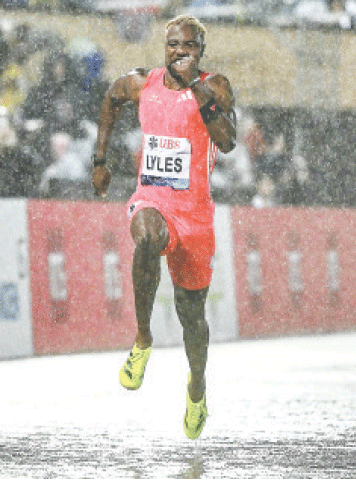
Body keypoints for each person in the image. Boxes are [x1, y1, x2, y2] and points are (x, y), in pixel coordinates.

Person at [91, 14, 236, 440]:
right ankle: (141, 339)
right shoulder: (143, 82)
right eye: (173, 44)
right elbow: (110, 98)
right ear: (165, 46)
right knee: (147, 236)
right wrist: (100, 159)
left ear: (200, 51)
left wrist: (197, 90)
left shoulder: (216, 86)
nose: (179, 52)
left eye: (188, 46)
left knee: (192, 317)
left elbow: (227, 141)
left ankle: (197, 387)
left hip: (195, 216)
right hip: (152, 200)